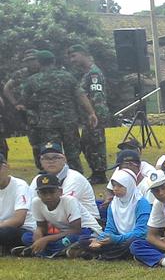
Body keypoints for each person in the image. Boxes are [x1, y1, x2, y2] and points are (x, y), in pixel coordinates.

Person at [21, 50, 96, 171]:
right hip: (69, 121)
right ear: (54, 61)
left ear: (39, 63)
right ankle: (77, 178)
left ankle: (55, 179)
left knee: (52, 153)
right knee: (73, 153)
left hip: (47, 123)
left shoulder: (33, 80)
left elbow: (24, 101)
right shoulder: (67, 76)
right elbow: (81, 96)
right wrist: (91, 113)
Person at [15, 173, 99, 257]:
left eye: (52, 192)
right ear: (38, 194)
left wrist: (46, 239)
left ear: (60, 192)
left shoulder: (69, 201)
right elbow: (41, 227)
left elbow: (76, 230)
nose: (48, 196)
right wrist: (38, 240)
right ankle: (48, 250)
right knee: (26, 237)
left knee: (72, 239)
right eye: (44, 193)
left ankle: (44, 251)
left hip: (86, 230)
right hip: (62, 233)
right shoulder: (36, 202)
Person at [74, 170, 152, 261]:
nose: (115, 189)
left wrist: (116, 239)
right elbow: (110, 229)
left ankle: (100, 254)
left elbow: (141, 232)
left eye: (120, 186)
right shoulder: (113, 204)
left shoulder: (141, 203)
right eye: (114, 185)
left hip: (135, 239)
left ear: (129, 186)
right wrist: (101, 239)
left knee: (132, 244)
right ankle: (104, 253)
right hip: (117, 239)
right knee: (83, 240)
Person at [65, 44, 110, 184]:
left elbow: (96, 97)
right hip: (88, 116)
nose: (72, 60)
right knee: (87, 144)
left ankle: (100, 174)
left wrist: (94, 115)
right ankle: (96, 172)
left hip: (95, 116)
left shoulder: (93, 74)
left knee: (95, 144)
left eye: (74, 56)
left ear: (83, 54)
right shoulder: (86, 73)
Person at [36, 142, 100, 233]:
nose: (51, 161)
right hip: (57, 223)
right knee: (28, 236)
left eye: (55, 157)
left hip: (82, 225)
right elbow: (32, 205)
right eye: (46, 158)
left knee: (66, 240)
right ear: (41, 162)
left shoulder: (74, 178)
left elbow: (62, 205)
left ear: (64, 159)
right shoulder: (39, 180)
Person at [0, 153, 36, 251]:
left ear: (5, 167)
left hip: (23, 230)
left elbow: (18, 220)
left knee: (4, 233)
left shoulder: (20, 186)